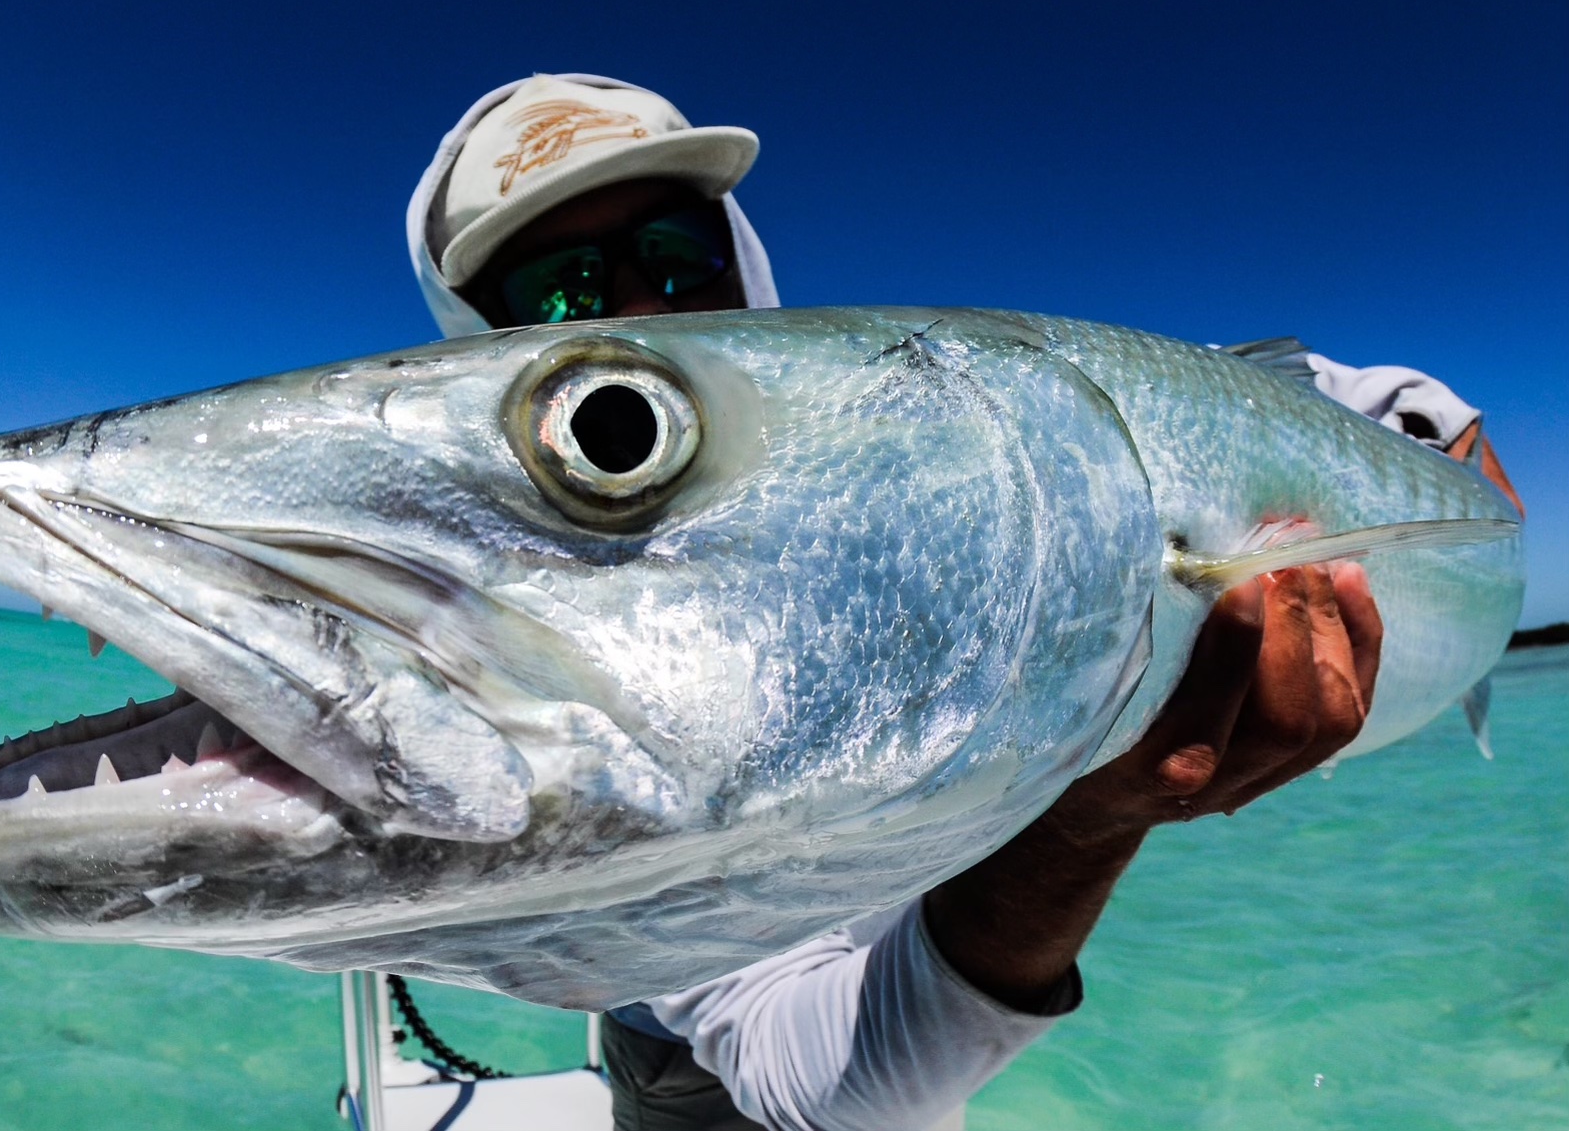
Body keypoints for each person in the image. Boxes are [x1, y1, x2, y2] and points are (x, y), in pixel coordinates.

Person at [406, 75, 1510, 1130]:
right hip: (705, 1086)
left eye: (676, 253)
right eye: (564, 295)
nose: (645, 308)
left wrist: (1435, 417)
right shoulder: (549, 718)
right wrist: (1091, 819)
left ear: (740, 256)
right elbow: (826, 1082)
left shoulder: (920, 429)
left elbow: (1210, 411)